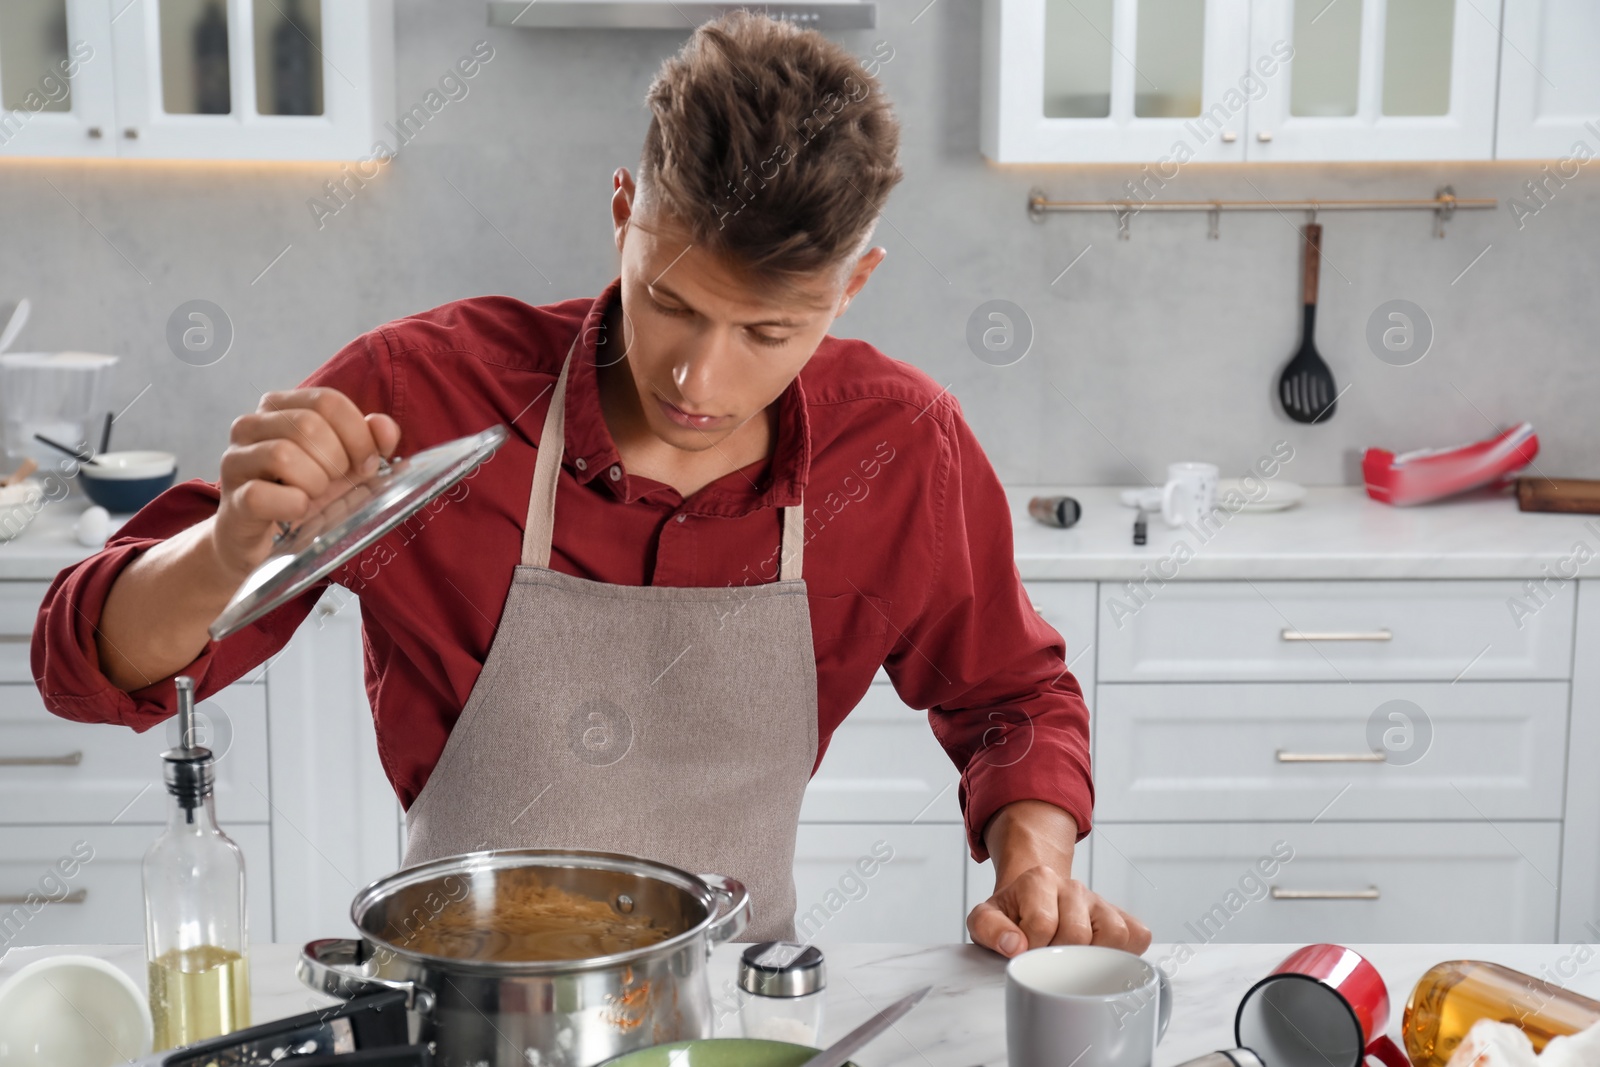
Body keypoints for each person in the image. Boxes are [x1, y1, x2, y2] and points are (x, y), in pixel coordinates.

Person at [33, 12, 1149, 955]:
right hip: (455, 999)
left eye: (768, 329)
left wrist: (1035, 860)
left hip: (734, 1010)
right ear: (623, 214)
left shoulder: (902, 447)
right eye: (669, 297)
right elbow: (85, 668)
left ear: (853, 284)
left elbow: (1010, 693)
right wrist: (232, 550)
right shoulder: (425, 395)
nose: (696, 377)